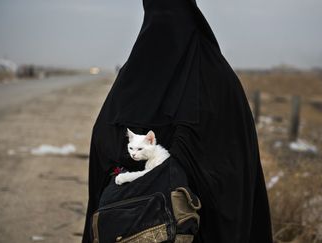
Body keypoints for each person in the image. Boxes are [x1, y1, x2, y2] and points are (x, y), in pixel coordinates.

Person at [81, 0, 273, 242]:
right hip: (135, 227)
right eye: (155, 17)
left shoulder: (216, 80)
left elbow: (234, 160)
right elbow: (103, 141)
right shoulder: (138, 76)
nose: (163, 28)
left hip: (197, 224)